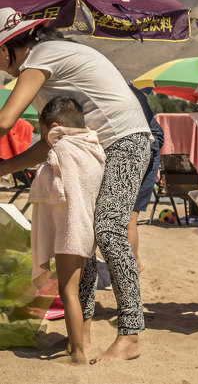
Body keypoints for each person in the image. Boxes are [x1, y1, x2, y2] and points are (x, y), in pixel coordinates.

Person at [0, 8, 152, 361]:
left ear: (8, 47)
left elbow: (6, 121)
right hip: (90, 148)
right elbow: (51, 139)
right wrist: (6, 166)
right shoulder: (42, 73)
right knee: (79, 235)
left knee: (108, 229)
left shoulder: (41, 58)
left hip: (125, 140)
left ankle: (131, 335)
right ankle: (78, 337)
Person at [29, 96, 105, 365]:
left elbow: (49, 187)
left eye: (43, 133)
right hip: (85, 228)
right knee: (75, 289)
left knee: (67, 291)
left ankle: (79, 354)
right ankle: (77, 343)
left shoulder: (61, 150)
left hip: (69, 231)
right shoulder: (92, 147)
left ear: (54, 127)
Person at [128, 84, 165, 271]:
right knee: (129, 219)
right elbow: (159, 135)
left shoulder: (122, 92)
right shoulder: (130, 92)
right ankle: (134, 264)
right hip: (149, 146)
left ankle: (133, 265)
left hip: (144, 147)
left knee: (127, 219)